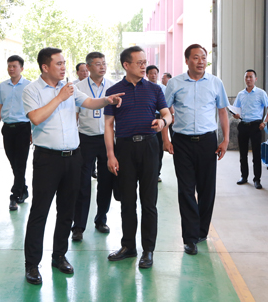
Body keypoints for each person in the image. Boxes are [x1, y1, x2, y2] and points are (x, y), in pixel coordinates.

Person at [22, 47, 124, 285]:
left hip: (73, 157)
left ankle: (59, 256)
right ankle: (32, 265)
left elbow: (89, 102)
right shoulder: (32, 90)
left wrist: (108, 100)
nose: (63, 67)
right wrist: (59, 98)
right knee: (40, 212)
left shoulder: (71, 89)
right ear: (45, 67)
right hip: (48, 159)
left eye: (64, 63)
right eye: (58, 64)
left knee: (67, 210)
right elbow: (36, 118)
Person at [104, 46, 172, 269]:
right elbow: (108, 126)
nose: (144, 65)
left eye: (145, 61)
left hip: (150, 147)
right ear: (126, 65)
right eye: (139, 62)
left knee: (149, 201)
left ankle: (148, 250)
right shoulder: (114, 91)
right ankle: (128, 246)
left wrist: (163, 122)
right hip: (124, 149)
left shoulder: (154, 89)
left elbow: (167, 114)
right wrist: (111, 155)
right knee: (127, 201)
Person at [162, 44, 230, 255]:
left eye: (203, 57)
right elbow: (164, 112)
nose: (200, 61)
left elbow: (222, 112)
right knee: (186, 190)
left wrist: (225, 140)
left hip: (208, 141)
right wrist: (166, 139)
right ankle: (189, 237)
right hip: (181, 141)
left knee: (207, 189)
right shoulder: (175, 83)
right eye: (196, 58)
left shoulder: (215, 83)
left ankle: (201, 231)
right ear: (187, 60)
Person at [71, 51, 118, 241]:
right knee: (82, 184)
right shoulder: (77, 87)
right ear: (88, 67)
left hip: (107, 140)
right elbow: (74, 115)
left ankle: (101, 220)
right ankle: (79, 226)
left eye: (104, 63)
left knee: (106, 182)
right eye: (98, 64)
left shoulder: (113, 87)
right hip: (85, 139)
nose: (102, 66)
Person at [0, 55, 31, 211]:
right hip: (7, 129)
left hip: (23, 128)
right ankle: (24, 189)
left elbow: (33, 110)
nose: (11, 69)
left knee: (20, 163)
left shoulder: (28, 86)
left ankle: (14, 196)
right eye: (9, 66)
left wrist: (33, 131)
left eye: (14, 66)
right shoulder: (2, 86)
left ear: (21, 68)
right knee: (14, 163)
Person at [232, 69, 268, 190]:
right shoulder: (241, 94)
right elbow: (235, 110)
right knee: (243, 153)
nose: (248, 79)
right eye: (246, 77)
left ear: (255, 79)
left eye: (251, 77)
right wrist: (235, 115)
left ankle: (257, 179)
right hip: (243, 125)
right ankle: (244, 176)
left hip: (256, 126)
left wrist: (264, 122)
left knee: (256, 154)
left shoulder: (261, 93)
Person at [146, 65, 167, 182]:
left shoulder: (163, 88)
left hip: (160, 119)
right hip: (148, 119)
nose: (153, 75)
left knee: (159, 147)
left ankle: (157, 172)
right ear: (147, 75)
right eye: (151, 73)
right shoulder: (144, 88)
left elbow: (168, 106)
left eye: (155, 73)